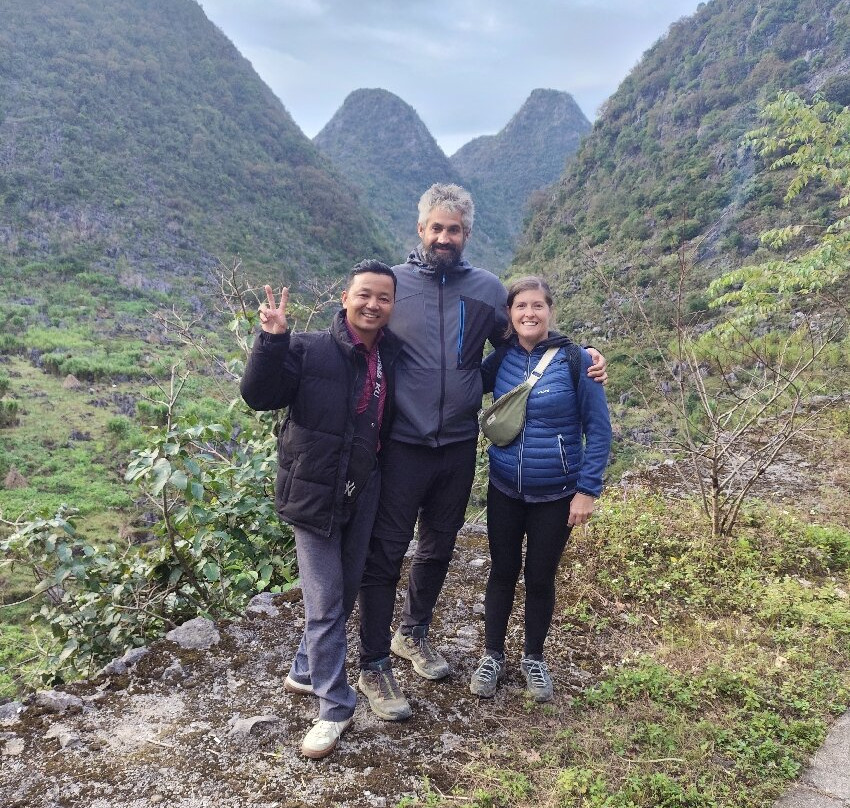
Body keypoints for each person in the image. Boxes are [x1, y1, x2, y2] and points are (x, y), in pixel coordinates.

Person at [356, 184, 608, 721]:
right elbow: (357, 334)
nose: (445, 238)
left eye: (455, 230)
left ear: (467, 234)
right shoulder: (394, 286)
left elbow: (523, 340)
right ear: (421, 229)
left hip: (457, 446)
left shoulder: (488, 290)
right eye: (437, 228)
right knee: (387, 551)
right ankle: (373, 662)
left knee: (438, 547)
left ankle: (412, 632)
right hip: (401, 444)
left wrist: (582, 353)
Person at [240, 260, 402, 759]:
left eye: (383, 297)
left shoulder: (391, 353)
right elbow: (258, 395)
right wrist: (272, 340)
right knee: (327, 601)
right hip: (313, 492)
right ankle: (335, 706)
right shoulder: (308, 348)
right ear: (345, 298)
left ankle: (305, 668)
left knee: (346, 587)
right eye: (364, 294)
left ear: (393, 305)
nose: (373, 304)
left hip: (363, 487)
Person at [469, 276, 612, 702]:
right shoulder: (501, 359)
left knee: (540, 576)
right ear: (509, 315)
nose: (529, 313)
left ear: (550, 311)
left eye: (537, 306)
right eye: (521, 306)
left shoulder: (577, 361)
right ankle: (492, 655)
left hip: (556, 493)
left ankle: (533, 656)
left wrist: (587, 490)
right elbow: (463, 383)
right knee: (502, 570)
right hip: (505, 489)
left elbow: (599, 431)